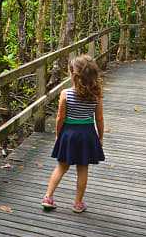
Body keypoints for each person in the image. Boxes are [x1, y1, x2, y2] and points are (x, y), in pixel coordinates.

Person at [41, 54, 105, 213]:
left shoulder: (65, 94)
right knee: (83, 168)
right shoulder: (96, 95)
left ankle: (48, 197)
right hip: (87, 134)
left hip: (69, 133)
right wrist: (100, 137)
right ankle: (77, 203)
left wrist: (58, 135)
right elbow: (99, 118)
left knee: (61, 166)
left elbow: (60, 117)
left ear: (73, 74)